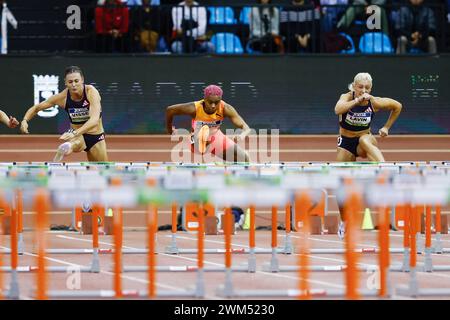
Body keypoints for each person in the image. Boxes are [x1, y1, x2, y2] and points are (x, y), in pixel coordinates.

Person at [334, 72, 402, 238]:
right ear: (354, 87)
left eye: (367, 87)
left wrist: (386, 127)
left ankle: (384, 170)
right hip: (347, 142)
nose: (364, 90)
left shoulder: (374, 101)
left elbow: (397, 106)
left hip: (365, 141)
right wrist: (356, 101)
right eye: (360, 87)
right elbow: (337, 110)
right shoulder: (346, 96)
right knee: (340, 185)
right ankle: (344, 221)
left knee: (364, 140)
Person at [20, 66, 108, 162]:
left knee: (101, 168)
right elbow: (37, 108)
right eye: (70, 82)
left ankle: (69, 146)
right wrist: (25, 120)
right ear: (65, 83)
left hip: (96, 136)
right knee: (74, 143)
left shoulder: (91, 92)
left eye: (76, 81)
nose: (73, 84)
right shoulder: (62, 98)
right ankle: (67, 148)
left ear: (82, 80)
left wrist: (74, 133)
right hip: (78, 136)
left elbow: (94, 120)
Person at [165, 85, 251, 162]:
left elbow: (245, 127)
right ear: (205, 99)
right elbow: (170, 110)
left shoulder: (226, 108)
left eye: (217, 102)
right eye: (210, 102)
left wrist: (242, 135)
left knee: (244, 159)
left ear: (220, 100)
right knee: (203, 134)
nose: (213, 106)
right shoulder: (194, 108)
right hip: (197, 139)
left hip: (216, 137)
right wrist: (170, 130)